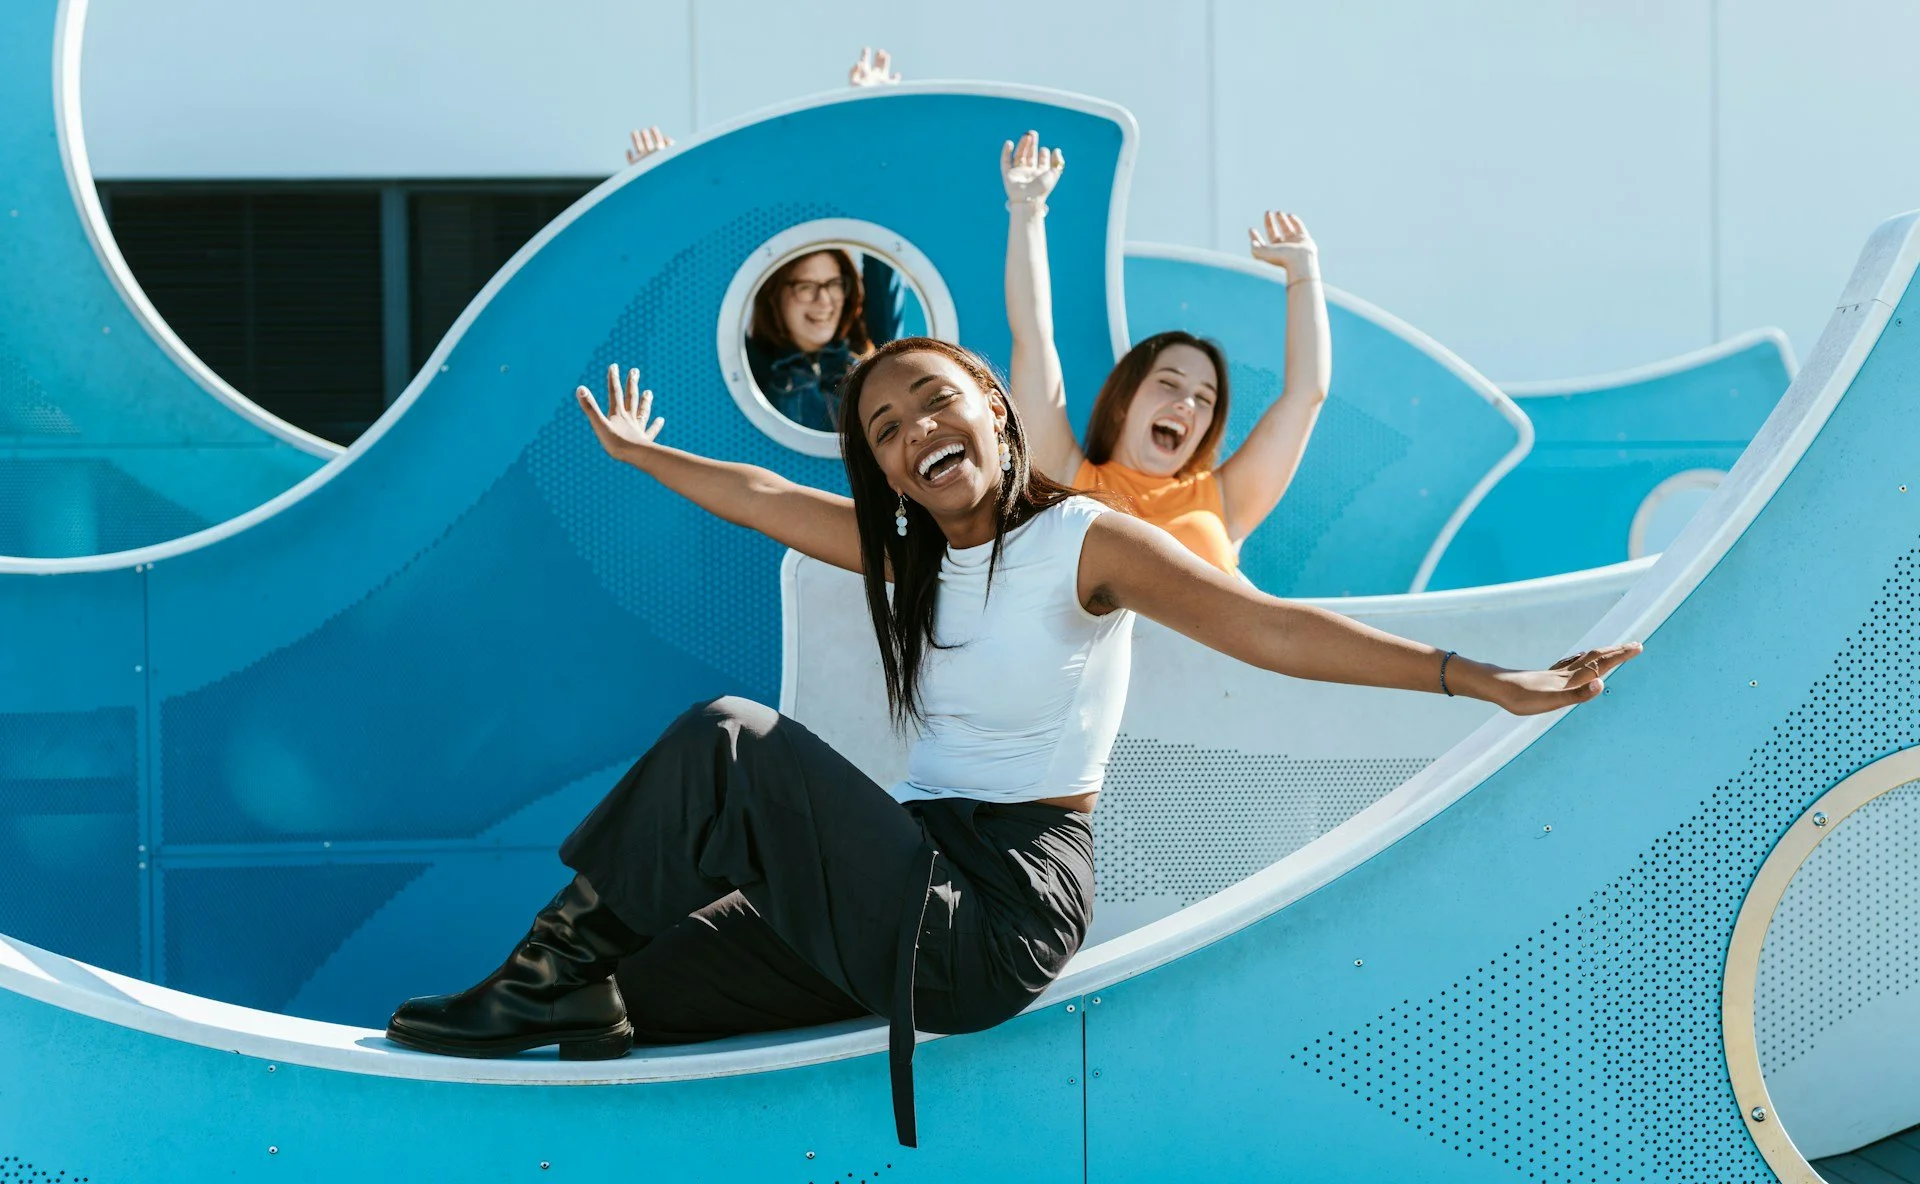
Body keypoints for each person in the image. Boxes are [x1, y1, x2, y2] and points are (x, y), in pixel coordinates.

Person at [385, 342, 1639, 1147]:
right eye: (881, 428)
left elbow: (1267, 630)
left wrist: (1478, 678)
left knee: (732, 743)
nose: (910, 430)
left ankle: (535, 969)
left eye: (931, 398)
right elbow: (769, 500)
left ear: (991, 406)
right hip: (903, 880)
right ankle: (567, 987)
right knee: (628, 1003)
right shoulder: (914, 560)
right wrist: (638, 454)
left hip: (995, 903)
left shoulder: (1079, 541)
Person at [1002, 130, 1332, 577]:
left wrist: (1303, 270)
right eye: (1169, 382)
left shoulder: (1223, 498)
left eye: (1205, 398)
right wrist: (1026, 208)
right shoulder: (1070, 480)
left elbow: (1307, 392)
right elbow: (1033, 337)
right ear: (1123, 402)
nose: (1187, 403)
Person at [744, 247, 902, 431]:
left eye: (834, 284)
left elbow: (884, 253)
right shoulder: (752, 371)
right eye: (805, 286)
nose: (824, 300)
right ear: (774, 295)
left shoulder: (873, 367)